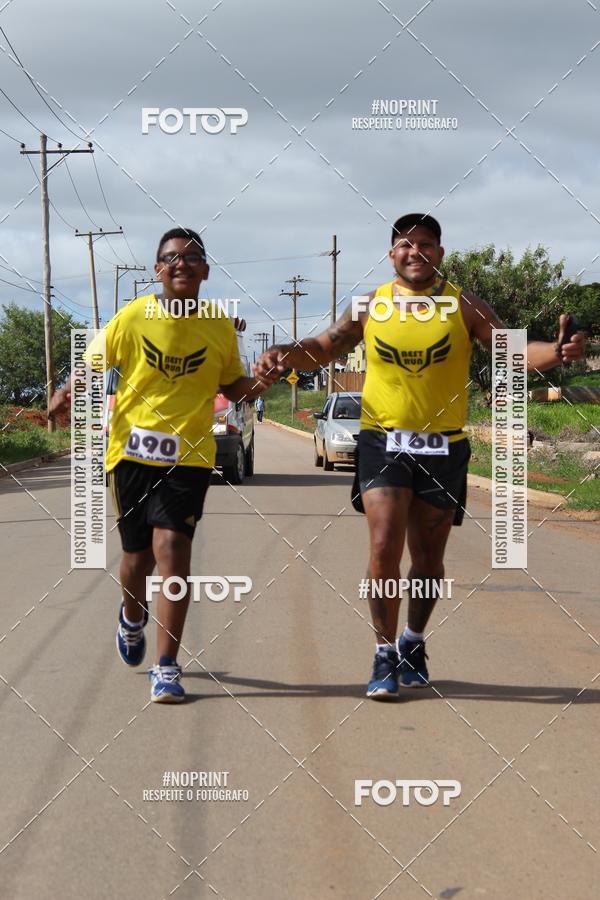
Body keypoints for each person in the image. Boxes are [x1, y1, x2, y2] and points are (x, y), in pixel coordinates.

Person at [254, 213, 586, 700]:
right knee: (385, 543)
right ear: (392, 255)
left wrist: (556, 352)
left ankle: (413, 641)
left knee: (428, 559)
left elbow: (510, 350)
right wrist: (282, 352)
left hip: (444, 446)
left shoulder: (464, 304)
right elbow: (323, 348)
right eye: (406, 246)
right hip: (383, 441)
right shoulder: (370, 305)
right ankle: (384, 652)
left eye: (426, 245)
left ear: (440, 254)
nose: (416, 253)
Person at [51, 228, 265, 703]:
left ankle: (166, 665)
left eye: (192, 258)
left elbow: (233, 384)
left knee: (172, 549)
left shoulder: (218, 324)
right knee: (136, 559)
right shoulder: (132, 317)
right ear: (157, 270)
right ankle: (131, 616)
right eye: (171, 258)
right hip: (130, 454)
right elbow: (91, 362)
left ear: (205, 271)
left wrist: (261, 382)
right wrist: (67, 391)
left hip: (188, 457)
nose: (181, 265)